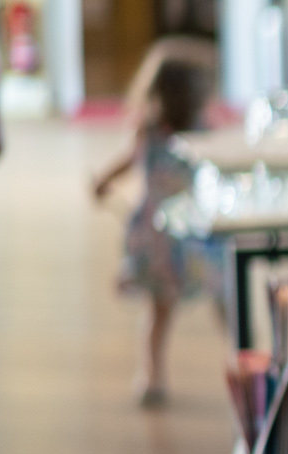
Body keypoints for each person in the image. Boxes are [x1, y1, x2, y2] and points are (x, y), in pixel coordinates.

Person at [90, 36, 221, 406]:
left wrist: (102, 181)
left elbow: (123, 161)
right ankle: (238, 355)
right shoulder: (200, 132)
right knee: (220, 297)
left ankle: (152, 376)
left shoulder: (148, 132)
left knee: (159, 312)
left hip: (157, 237)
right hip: (192, 235)